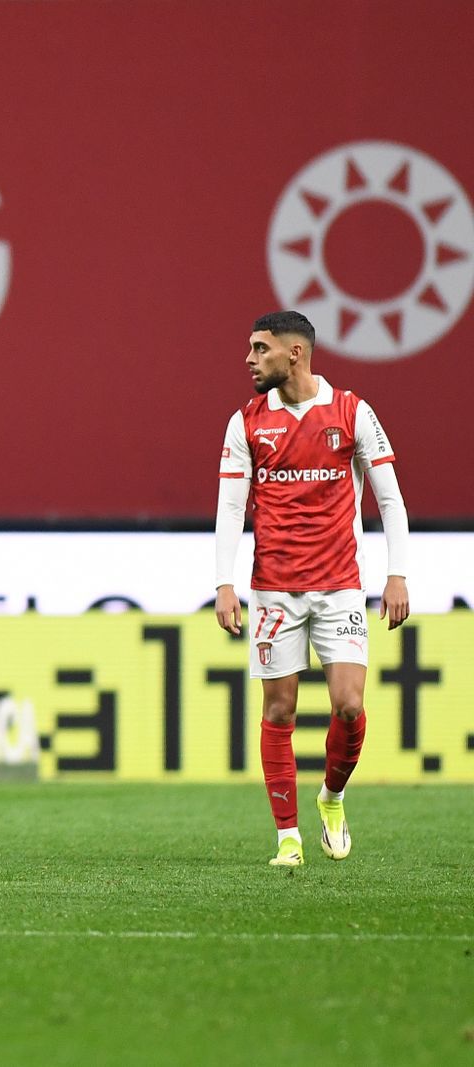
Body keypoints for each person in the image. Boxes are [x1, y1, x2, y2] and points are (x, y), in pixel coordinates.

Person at [214, 310, 409, 867]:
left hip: (341, 586)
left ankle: (332, 797)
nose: (249, 359)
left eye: (260, 348)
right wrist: (224, 583)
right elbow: (231, 508)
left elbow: (390, 500)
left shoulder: (352, 411)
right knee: (279, 711)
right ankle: (287, 839)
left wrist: (398, 574)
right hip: (274, 588)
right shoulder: (247, 422)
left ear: (294, 353)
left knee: (349, 706)